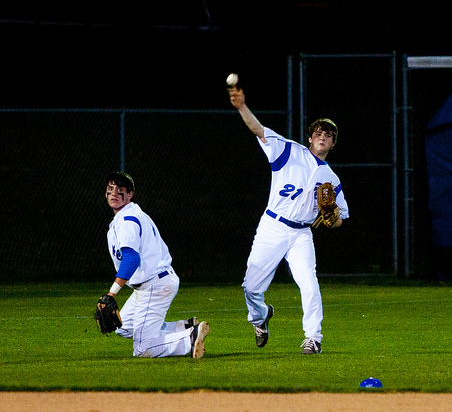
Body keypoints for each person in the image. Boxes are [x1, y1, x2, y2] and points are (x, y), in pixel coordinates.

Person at [228, 85, 349, 355]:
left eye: (328, 135)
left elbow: (340, 218)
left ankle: (313, 338)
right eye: (318, 133)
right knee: (251, 287)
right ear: (310, 139)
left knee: (309, 282)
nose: (323, 137)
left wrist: (332, 217)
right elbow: (259, 130)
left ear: (333, 144)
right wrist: (242, 107)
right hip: (272, 226)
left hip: (301, 234)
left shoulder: (332, 179)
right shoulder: (288, 151)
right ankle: (260, 317)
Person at [103, 171, 209, 358]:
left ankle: (189, 338)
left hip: (154, 285)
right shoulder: (128, 215)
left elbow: (131, 258)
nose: (114, 193)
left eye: (120, 190)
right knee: (123, 327)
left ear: (130, 194)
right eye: (110, 189)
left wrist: (112, 293)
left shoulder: (127, 220)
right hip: (152, 282)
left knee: (142, 349)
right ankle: (183, 328)